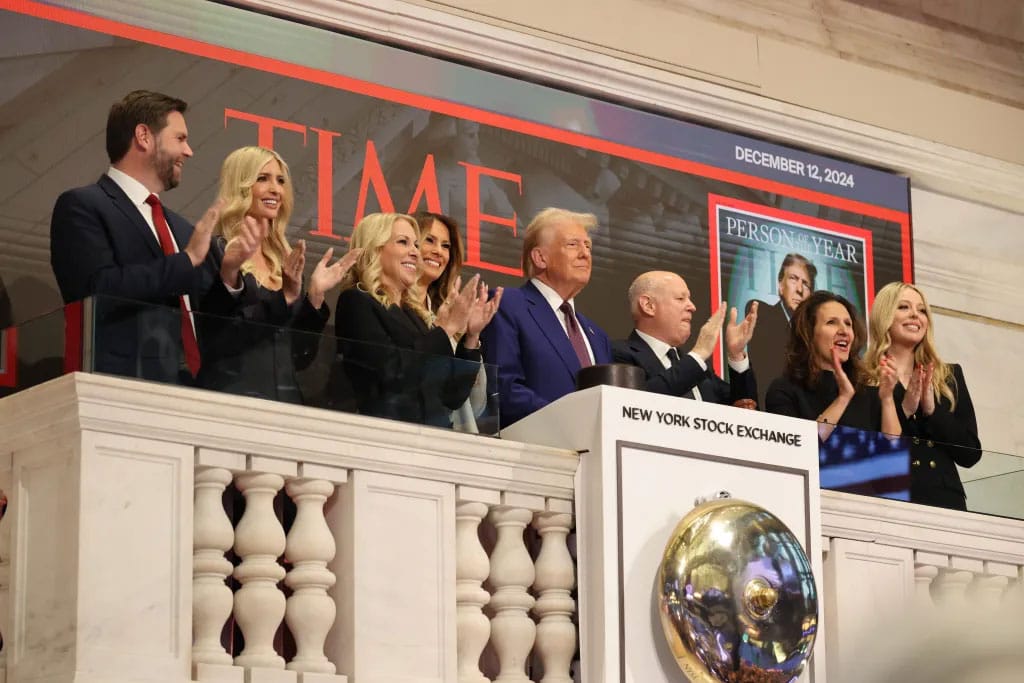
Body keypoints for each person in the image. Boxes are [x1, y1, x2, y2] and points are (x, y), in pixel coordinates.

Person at [49, 90, 220, 383]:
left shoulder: (180, 229)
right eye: (180, 138)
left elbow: (208, 312)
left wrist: (230, 276)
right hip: (117, 386)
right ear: (143, 136)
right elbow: (96, 289)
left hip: (191, 391)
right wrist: (186, 261)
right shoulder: (83, 206)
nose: (189, 151)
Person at [196, 146, 360, 403]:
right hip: (230, 400)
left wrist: (314, 297)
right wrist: (278, 296)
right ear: (241, 185)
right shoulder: (215, 251)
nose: (276, 189)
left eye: (281, 180)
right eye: (263, 178)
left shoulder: (285, 262)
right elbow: (219, 339)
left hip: (284, 404)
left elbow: (299, 358)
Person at [333, 212, 501, 427]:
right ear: (375, 248)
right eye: (403, 242)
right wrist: (445, 329)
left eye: (415, 244)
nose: (415, 253)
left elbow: (452, 396)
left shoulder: (414, 316)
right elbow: (389, 374)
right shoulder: (356, 301)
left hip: (433, 438)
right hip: (388, 436)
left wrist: (470, 337)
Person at [481, 207, 613, 426]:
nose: (585, 253)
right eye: (573, 244)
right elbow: (504, 386)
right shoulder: (507, 303)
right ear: (540, 257)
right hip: (534, 450)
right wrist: (568, 422)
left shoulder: (597, 336)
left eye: (587, 245)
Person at [865, 282, 981, 511]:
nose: (914, 316)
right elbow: (867, 452)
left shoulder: (949, 375)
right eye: (904, 307)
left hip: (946, 501)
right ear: (884, 315)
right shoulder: (864, 378)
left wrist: (932, 411)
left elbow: (970, 453)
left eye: (921, 310)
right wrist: (905, 410)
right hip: (891, 499)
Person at [765, 291, 900, 442]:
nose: (844, 331)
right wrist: (843, 399)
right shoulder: (784, 391)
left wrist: (887, 399)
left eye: (848, 324)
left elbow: (894, 449)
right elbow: (800, 449)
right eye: (831, 322)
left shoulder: (869, 395)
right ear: (808, 333)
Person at [613, 271, 759, 407]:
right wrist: (700, 352)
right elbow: (637, 403)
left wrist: (737, 355)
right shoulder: (618, 354)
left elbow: (745, 411)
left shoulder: (697, 368)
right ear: (648, 305)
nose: (692, 307)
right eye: (680, 298)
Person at [412, 211, 490, 432]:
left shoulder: (451, 313)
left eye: (446, 246)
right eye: (430, 240)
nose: (439, 252)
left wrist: (471, 337)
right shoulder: (391, 307)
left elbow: (467, 399)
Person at [746, 254, 817, 406]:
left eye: (806, 284)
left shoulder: (813, 337)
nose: (799, 289)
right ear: (780, 285)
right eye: (793, 278)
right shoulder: (762, 313)